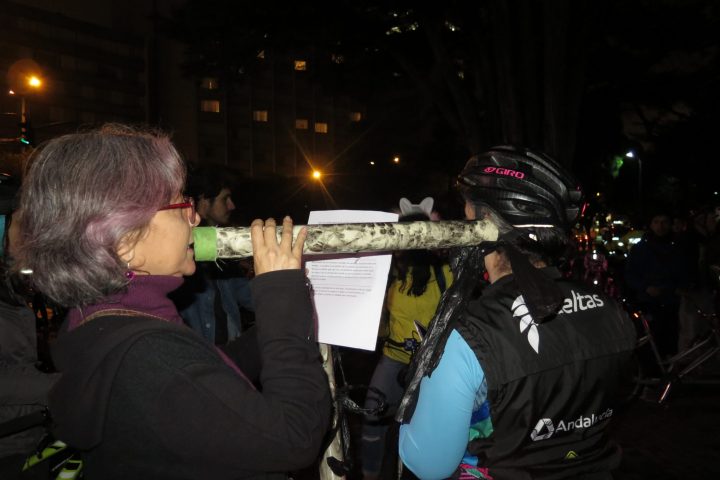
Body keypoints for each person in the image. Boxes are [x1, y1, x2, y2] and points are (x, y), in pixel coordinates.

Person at [12, 124, 331, 479]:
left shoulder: (103, 316)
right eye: (181, 205)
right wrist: (281, 296)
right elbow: (294, 437)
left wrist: (283, 318)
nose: (195, 217)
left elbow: (206, 375)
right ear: (125, 241)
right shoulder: (147, 355)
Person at [396, 146, 637, 480]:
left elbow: (429, 464)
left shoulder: (470, 335)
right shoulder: (611, 309)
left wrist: (412, 407)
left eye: (467, 212)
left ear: (486, 224)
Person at [360, 198, 453, 480]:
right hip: (393, 359)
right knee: (371, 415)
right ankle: (370, 474)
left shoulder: (445, 274)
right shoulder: (390, 273)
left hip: (431, 366)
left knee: (419, 425)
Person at [174, 167, 254, 344]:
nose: (231, 205)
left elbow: (249, 297)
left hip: (228, 351)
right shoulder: (182, 251)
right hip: (197, 352)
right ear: (203, 202)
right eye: (225, 199)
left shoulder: (222, 249)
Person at [625, 210, 690, 357]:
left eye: (664, 222)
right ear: (651, 225)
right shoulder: (640, 249)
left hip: (671, 301)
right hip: (648, 302)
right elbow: (630, 275)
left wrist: (680, 287)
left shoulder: (677, 247)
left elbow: (683, 272)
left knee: (671, 339)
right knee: (652, 341)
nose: (660, 226)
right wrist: (645, 288)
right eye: (656, 222)